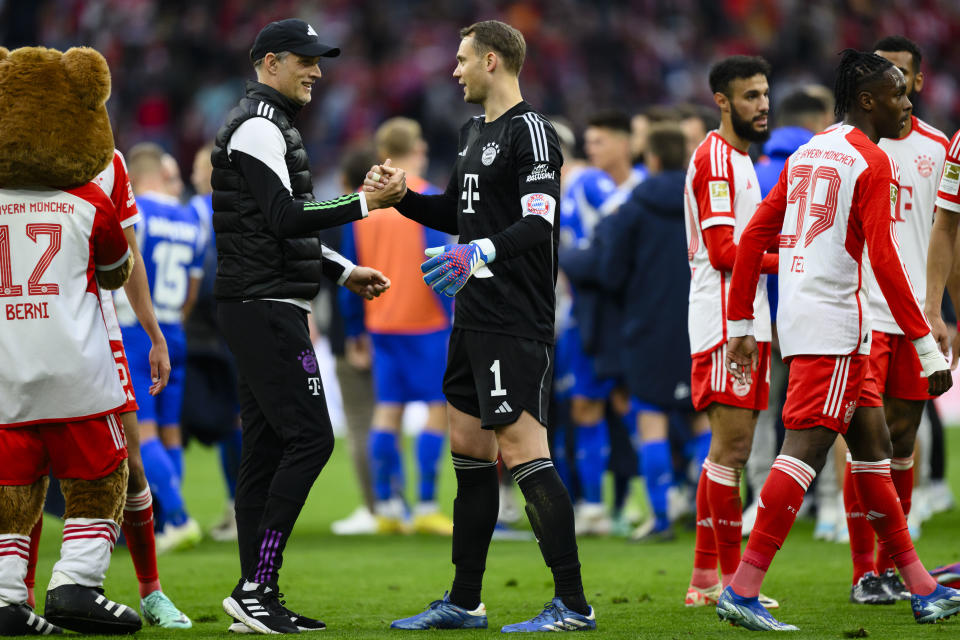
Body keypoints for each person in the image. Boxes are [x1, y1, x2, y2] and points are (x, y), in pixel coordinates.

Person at [718, 49, 960, 631]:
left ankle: (922, 587)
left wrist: (743, 325)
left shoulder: (809, 151)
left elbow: (752, 241)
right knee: (801, 453)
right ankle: (743, 589)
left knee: (874, 454)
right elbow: (884, 260)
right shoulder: (871, 163)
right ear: (870, 100)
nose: (908, 103)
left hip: (804, 321)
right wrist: (927, 346)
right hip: (838, 328)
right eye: (898, 94)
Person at [369, 20, 596, 632]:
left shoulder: (533, 132)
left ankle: (573, 604)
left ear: (492, 61)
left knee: (524, 452)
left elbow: (538, 222)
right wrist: (403, 197)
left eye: (463, 59)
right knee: (468, 452)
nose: (454, 70)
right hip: (470, 318)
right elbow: (457, 214)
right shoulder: (474, 133)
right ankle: (464, 600)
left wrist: (481, 254)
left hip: (515, 320)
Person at [211, 19, 405, 634]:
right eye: (305, 60)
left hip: (259, 302)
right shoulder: (259, 126)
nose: (317, 71)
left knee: (266, 450)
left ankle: (255, 595)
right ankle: (256, 585)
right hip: (264, 306)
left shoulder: (267, 124)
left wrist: (343, 269)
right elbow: (287, 217)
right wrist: (363, 204)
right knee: (311, 438)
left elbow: (277, 225)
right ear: (270, 63)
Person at [842, 35, 951, 604]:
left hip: (913, 316)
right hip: (861, 314)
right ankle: (865, 572)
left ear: (917, 80)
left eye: (903, 75)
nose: (898, 86)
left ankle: (893, 568)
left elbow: (948, 235)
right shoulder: (849, 150)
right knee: (867, 438)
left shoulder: (938, 148)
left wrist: (944, 313)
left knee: (904, 438)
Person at [682, 55, 779, 610]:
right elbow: (722, 253)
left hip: (741, 316)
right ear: (722, 101)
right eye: (750, 96)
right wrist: (793, 254)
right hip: (727, 320)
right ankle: (731, 583)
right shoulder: (717, 161)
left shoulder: (740, 158)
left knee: (725, 451)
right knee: (733, 450)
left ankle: (704, 581)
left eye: (765, 94)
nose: (762, 104)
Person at [339, 117, 455, 536]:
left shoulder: (361, 204)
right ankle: (424, 505)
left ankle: (388, 506)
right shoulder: (425, 197)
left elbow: (349, 269)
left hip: (380, 319)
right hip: (426, 320)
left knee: (388, 411)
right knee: (437, 411)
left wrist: (355, 330)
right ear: (418, 149)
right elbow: (444, 262)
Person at [115, 142, 204, 553]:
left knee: (143, 433)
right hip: (175, 331)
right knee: (171, 430)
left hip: (140, 334)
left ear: (133, 177)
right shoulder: (189, 217)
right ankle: (167, 522)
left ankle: (178, 516)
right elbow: (193, 287)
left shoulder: (138, 215)